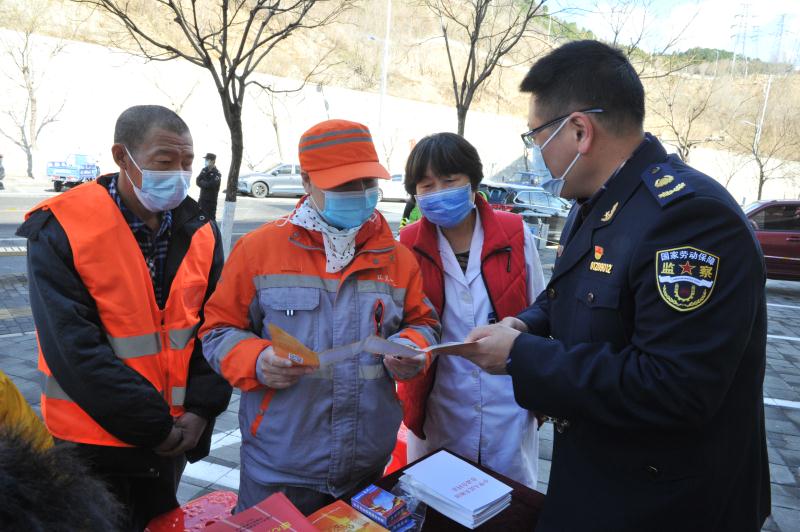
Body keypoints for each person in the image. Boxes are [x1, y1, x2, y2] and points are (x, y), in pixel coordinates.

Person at [460, 40, 770, 531]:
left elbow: (674, 387)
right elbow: (580, 298)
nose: (535, 153)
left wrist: (521, 355)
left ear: (580, 130)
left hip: (664, 505)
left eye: (536, 136)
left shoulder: (688, 217)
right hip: (599, 479)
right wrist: (528, 321)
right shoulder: (598, 202)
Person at [200, 119, 440, 515]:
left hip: (366, 463)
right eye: (344, 185)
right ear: (307, 182)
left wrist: (413, 350)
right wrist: (256, 360)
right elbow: (217, 330)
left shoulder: (397, 258)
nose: (360, 195)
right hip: (279, 465)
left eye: (366, 183)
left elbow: (424, 323)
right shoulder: (258, 250)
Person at [16, 105, 233, 531]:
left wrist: (202, 409)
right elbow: (75, 349)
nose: (179, 174)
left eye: (187, 163)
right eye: (164, 162)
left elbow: (216, 324)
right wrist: (154, 427)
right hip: (93, 444)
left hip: (173, 438)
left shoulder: (199, 228)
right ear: (122, 157)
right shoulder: (60, 227)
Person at [397, 133, 544, 488]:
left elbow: (542, 307)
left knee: (509, 507)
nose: (437, 193)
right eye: (426, 185)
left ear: (473, 182)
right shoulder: (408, 243)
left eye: (449, 181)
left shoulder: (514, 233)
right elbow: (399, 321)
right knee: (438, 505)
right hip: (440, 404)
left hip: (509, 403)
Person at [196, 152, 222, 219]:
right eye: (206, 160)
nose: (206, 161)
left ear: (213, 161)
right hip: (202, 200)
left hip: (210, 202)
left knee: (210, 221)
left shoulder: (217, 174)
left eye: (207, 160)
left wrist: (202, 182)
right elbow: (197, 181)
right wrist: (204, 183)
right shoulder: (204, 170)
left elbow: (210, 185)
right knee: (199, 219)